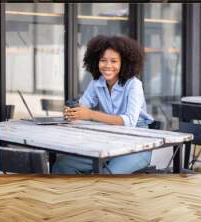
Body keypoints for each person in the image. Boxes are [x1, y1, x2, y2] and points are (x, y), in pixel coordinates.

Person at [52, 35, 154, 174]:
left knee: (107, 175)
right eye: (103, 60)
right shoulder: (97, 82)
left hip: (139, 143)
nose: (107, 66)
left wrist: (90, 114)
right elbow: (83, 105)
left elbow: (129, 122)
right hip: (110, 140)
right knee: (63, 165)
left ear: (124, 63)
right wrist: (72, 111)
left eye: (114, 61)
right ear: (96, 62)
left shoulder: (134, 85)